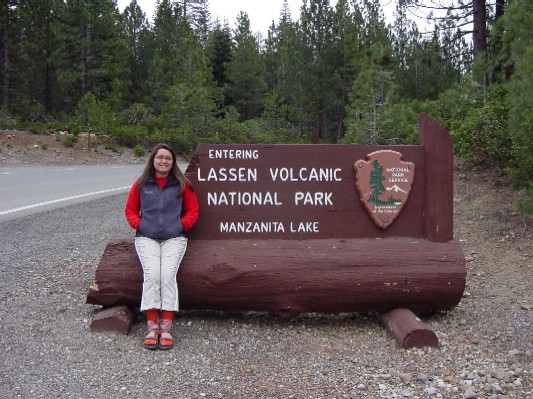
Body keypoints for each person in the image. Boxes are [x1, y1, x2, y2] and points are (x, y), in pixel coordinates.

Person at [125, 143, 199, 350]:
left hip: (174, 238)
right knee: (152, 275)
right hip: (146, 238)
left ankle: (166, 326)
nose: (164, 161)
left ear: (173, 162)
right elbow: (130, 211)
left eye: (168, 158)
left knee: (167, 275)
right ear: (153, 160)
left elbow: (193, 211)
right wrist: (141, 225)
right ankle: (152, 326)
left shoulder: (182, 184)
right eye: (160, 157)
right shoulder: (141, 184)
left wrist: (180, 226)